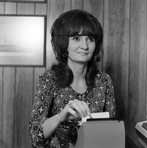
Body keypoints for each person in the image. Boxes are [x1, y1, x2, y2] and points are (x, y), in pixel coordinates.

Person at [29, 9, 116, 148]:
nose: (85, 46)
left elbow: (111, 131)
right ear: (64, 43)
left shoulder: (104, 81)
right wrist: (61, 116)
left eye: (90, 39)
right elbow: (35, 136)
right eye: (76, 38)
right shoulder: (50, 80)